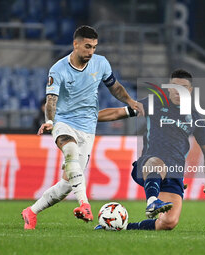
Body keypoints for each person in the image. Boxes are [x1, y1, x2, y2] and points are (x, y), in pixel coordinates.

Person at [21, 25, 140, 230]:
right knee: (70, 149)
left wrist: (130, 101)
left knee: (67, 185)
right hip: (63, 121)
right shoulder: (58, 69)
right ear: (75, 44)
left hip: (87, 128)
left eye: (94, 47)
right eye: (87, 46)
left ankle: (31, 212)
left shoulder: (100, 63)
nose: (91, 51)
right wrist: (50, 121)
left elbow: (115, 87)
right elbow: (51, 99)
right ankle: (85, 205)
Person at [96, 69, 205, 230]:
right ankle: (152, 201)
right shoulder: (153, 103)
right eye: (174, 86)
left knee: (168, 223)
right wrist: (84, 117)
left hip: (174, 173)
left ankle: (121, 227)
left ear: (190, 90)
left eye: (183, 87)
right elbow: (117, 113)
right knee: (157, 163)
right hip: (148, 164)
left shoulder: (195, 117)